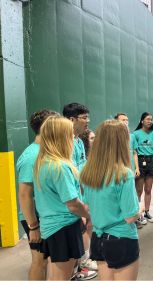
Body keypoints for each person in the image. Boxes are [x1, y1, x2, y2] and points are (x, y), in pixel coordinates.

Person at [81, 120, 141, 281]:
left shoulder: (89, 172)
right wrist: (140, 209)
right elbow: (131, 215)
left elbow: (86, 206)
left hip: (98, 239)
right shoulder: (124, 174)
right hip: (121, 239)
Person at [33, 116, 90, 280]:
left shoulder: (44, 161)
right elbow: (73, 204)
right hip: (63, 228)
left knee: (57, 274)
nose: (73, 138)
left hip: (52, 227)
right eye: (70, 134)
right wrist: (88, 215)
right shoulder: (60, 166)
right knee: (61, 277)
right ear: (61, 137)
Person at [17, 109, 59, 280]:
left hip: (48, 214)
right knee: (39, 259)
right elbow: (25, 195)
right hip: (36, 218)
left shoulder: (47, 151)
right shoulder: (31, 156)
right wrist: (33, 227)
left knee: (48, 258)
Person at [63, 103, 97, 277]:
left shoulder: (78, 141)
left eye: (87, 117)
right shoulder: (62, 143)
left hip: (81, 195)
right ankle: (76, 267)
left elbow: (81, 170)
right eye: (84, 118)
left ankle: (79, 266)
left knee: (84, 228)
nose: (87, 121)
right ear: (71, 119)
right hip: (68, 203)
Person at [133, 112, 153, 226]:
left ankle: (147, 212)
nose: (150, 121)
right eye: (148, 119)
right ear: (142, 120)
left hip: (150, 161)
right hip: (140, 161)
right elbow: (134, 151)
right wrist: (136, 167)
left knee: (148, 189)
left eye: (151, 119)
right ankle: (139, 214)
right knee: (139, 190)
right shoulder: (136, 134)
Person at [115, 113, 140, 177]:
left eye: (127, 120)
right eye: (123, 120)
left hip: (130, 169)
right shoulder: (112, 136)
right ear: (116, 122)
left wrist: (137, 168)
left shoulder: (132, 136)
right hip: (117, 170)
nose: (126, 122)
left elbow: (134, 153)